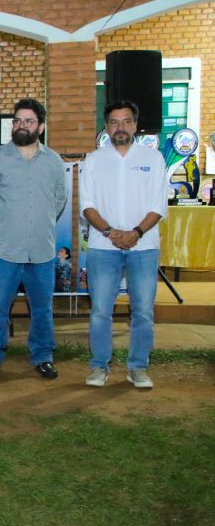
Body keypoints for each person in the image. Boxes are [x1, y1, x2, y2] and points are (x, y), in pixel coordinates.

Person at [0, 98, 67, 380]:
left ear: (41, 126)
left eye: (28, 121)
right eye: (17, 121)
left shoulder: (53, 161)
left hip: (41, 249)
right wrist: (6, 222)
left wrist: (40, 222)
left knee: (42, 309)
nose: (21, 125)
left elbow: (59, 199)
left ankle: (42, 356)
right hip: (6, 249)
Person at [80, 100, 168, 389]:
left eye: (126, 121)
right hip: (102, 248)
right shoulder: (93, 160)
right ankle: (99, 367)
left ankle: (138, 367)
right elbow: (87, 206)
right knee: (100, 311)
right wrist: (110, 232)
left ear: (135, 125)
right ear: (106, 127)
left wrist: (136, 233)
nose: (121, 127)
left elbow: (158, 204)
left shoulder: (153, 159)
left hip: (144, 247)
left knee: (143, 311)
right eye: (115, 122)